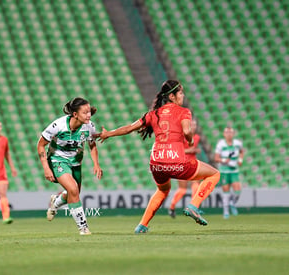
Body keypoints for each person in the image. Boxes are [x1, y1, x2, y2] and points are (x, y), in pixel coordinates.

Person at [96, 80, 220, 233]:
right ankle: (194, 206)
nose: (183, 95)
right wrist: (190, 140)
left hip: (156, 163)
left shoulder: (153, 114)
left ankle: (142, 225)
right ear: (172, 96)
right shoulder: (184, 112)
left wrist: (109, 133)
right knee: (214, 174)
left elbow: (129, 128)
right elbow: (187, 132)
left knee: (162, 190)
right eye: (181, 93)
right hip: (176, 161)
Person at [37, 97, 103, 235]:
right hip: (57, 160)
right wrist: (46, 167)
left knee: (74, 193)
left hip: (76, 163)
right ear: (75, 114)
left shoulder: (89, 126)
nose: (89, 115)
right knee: (73, 189)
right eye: (85, 112)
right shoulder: (58, 125)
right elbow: (41, 144)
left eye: (89, 111)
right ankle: (83, 228)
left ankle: (56, 202)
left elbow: (92, 146)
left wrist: (96, 164)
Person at [168, 119, 201, 218]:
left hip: (193, 163)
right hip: (182, 164)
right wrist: (189, 150)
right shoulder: (181, 137)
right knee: (182, 190)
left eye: (195, 125)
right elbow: (176, 151)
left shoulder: (197, 137)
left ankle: (193, 207)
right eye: (192, 125)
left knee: (196, 185)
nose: (194, 127)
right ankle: (172, 207)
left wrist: (194, 151)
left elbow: (192, 150)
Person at [214, 127, 244, 219]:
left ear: (233, 133)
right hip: (224, 171)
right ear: (224, 134)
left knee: (238, 190)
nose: (229, 134)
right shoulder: (221, 144)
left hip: (234, 170)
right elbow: (216, 158)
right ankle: (226, 212)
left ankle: (232, 203)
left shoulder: (237, 143)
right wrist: (224, 160)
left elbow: (242, 151)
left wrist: (240, 160)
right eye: (227, 132)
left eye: (231, 132)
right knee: (226, 191)